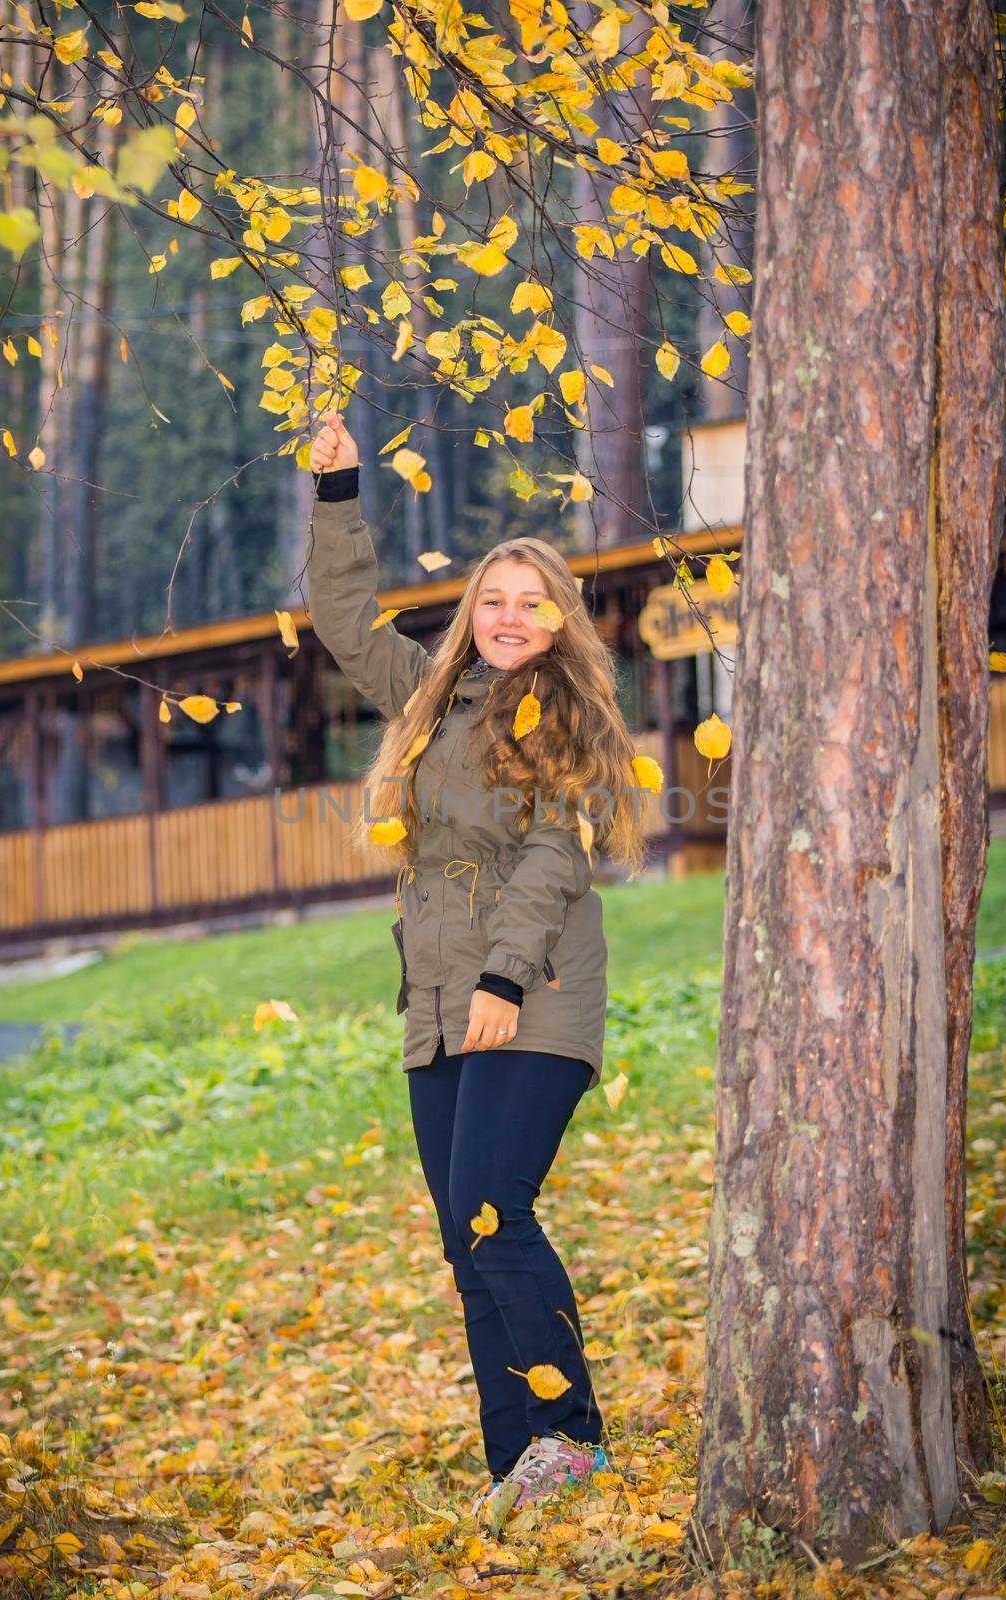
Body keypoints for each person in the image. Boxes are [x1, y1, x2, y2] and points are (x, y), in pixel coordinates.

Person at [305, 412, 648, 1527]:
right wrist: (338, 492)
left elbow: (554, 854)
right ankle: (520, 1460)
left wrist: (503, 979)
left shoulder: (560, 716)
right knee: (466, 1237)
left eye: (529, 602)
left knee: (496, 1209)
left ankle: (574, 1437)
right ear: (471, 614)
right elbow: (345, 619)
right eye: (492, 601)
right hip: (437, 1006)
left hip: (531, 996)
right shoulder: (429, 696)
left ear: (557, 620)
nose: (507, 618)